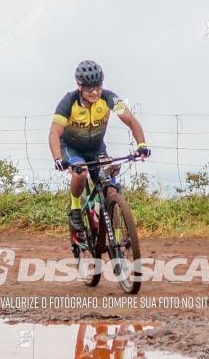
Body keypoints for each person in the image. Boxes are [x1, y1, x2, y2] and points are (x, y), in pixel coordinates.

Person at [49, 60, 150, 241]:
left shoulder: (109, 97)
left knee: (110, 186)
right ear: (79, 86)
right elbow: (55, 132)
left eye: (98, 86)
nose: (95, 92)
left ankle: (115, 233)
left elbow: (131, 120)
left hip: (96, 148)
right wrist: (58, 158)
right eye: (89, 88)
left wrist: (141, 145)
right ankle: (75, 209)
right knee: (81, 173)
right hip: (71, 148)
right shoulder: (68, 101)